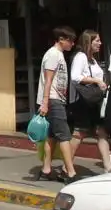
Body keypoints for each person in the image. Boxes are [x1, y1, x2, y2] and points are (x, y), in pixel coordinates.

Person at [28, 26, 78, 183]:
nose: (72, 44)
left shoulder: (59, 55)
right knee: (64, 136)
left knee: (51, 137)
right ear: (61, 39)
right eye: (70, 40)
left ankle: (46, 169)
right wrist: (45, 102)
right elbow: (48, 80)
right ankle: (71, 172)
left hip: (55, 99)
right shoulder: (53, 54)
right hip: (53, 100)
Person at [69, 29, 111, 174]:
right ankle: (67, 166)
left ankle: (108, 167)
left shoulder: (93, 60)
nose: (100, 43)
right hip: (84, 102)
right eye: (97, 41)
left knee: (101, 132)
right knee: (79, 133)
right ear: (88, 42)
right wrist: (96, 81)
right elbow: (75, 77)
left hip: (96, 101)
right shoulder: (80, 57)